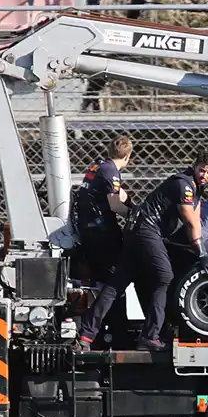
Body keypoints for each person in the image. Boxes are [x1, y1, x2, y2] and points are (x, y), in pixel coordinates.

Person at [76, 149, 208, 352]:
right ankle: (151, 336)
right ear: (194, 167)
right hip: (146, 230)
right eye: (201, 170)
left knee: (116, 285)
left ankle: (85, 336)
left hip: (136, 230)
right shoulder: (184, 185)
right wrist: (202, 254)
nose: (204, 175)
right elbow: (190, 222)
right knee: (164, 276)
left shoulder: (195, 186)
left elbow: (196, 219)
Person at [73, 135, 136, 345]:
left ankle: (107, 332)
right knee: (116, 282)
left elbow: (110, 193)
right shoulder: (111, 172)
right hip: (102, 236)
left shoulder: (98, 166)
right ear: (128, 156)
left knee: (105, 284)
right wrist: (137, 217)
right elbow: (115, 205)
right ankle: (116, 332)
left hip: (89, 233)